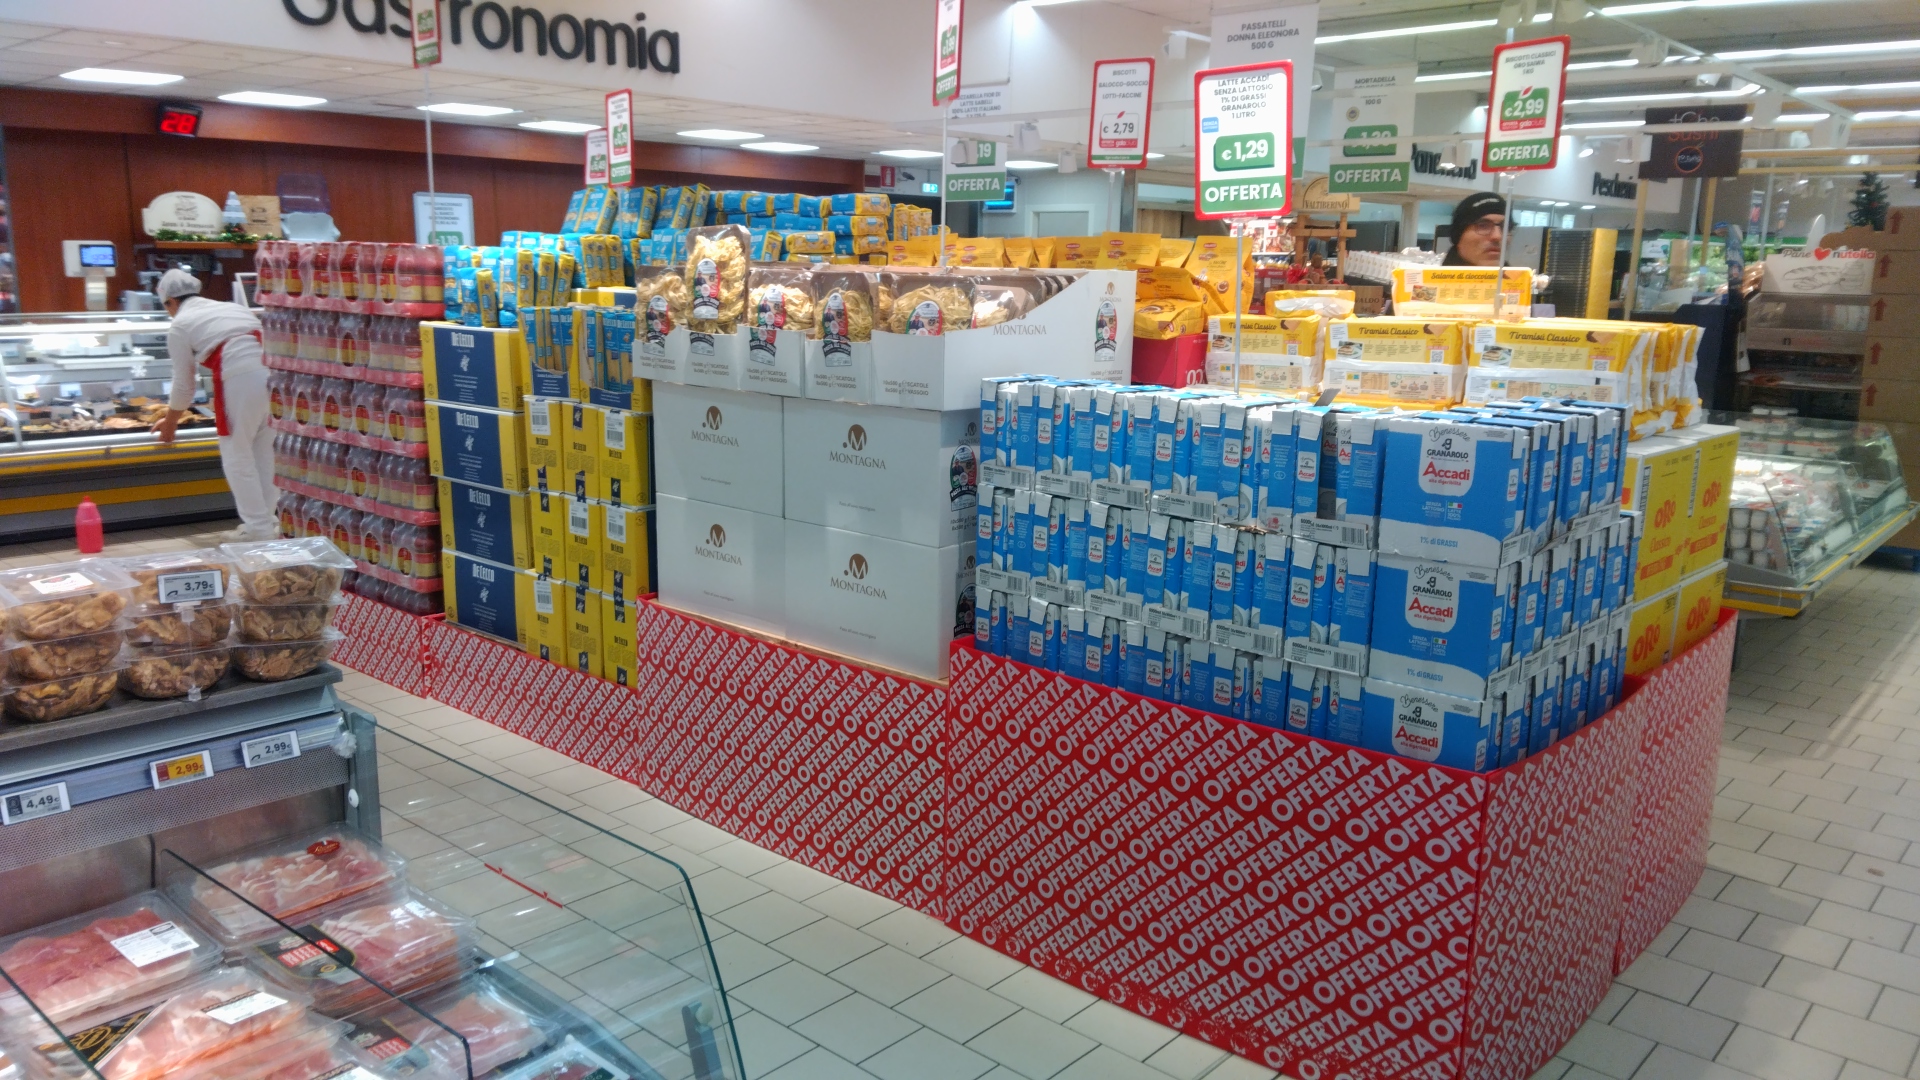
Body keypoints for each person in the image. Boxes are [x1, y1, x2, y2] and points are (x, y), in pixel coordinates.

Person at [152, 268, 278, 540]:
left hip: (240, 378)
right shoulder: (233, 308)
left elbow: (184, 384)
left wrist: (170, 422)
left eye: (166, 308)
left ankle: (257, 530)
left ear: (170, 302)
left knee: (237, 456)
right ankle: (267, 523)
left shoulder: (180, 324)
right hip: (275, 377)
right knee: (265, 453)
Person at [1444, 191, 1507, 267]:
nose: (1497, 236)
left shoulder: (1517, 274)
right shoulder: (1434, 274)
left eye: (1504, 227)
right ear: (1458, 236)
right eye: (1483, 226)